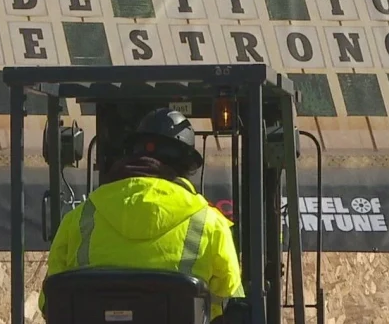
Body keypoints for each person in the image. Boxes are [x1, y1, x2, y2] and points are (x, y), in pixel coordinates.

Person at [39, 107, 244, 322]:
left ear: (132, 156)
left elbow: (49, 302)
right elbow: (232, 302)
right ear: (186, 167)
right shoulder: (209, 224)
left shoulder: (80, 218)